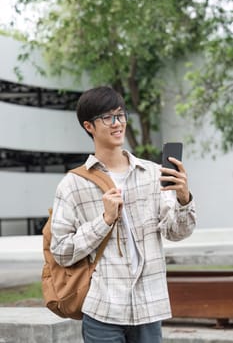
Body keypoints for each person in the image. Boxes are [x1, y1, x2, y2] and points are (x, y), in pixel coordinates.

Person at [50, 86, 196, 343]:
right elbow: (60, 251)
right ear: (89, 126)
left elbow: (177, 232)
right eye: (107, 117)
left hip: (150, 307)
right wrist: (104, 221)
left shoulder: (152, 174)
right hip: (103, 309)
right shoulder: (73, 184)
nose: (117, 123)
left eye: (120, 115)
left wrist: (183, 198)